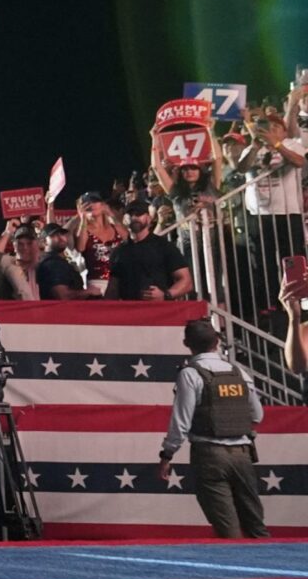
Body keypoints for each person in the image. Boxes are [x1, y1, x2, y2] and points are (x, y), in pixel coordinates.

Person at [158, 319, 268, 538]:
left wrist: (166, 455)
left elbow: (181, 422)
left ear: (186, 343)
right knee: (256, 527)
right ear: (217, 342)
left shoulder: (190, 374)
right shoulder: (239, 373)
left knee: (228, 530)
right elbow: (257, 415)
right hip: (243, 455)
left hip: (209, 456)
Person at [108, 201, 193, 301]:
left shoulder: (164, 246)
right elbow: (113, 288)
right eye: (130, 214)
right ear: (125, 219)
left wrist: (165, 295)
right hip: (130, 312)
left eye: (139, 213)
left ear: (148, 218)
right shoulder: (119, 252)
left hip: (159, 312)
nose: (134, 217)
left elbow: (186, 281)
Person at [71, 191, 127, 294]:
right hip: (96, 283)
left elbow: (128, 239)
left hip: (120, 281)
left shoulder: (114, 227)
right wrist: (82, 218)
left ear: (102, 204)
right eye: (86, 203)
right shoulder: (83, 229)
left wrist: (110, 213)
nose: (91, 205)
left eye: (95, 201)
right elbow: (81, 247)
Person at [35, 224, 100, 300]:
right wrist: (88, 292)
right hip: (60, 310)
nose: (61, 238)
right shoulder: (52, 264)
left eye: (62, 234)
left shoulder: (58, 260)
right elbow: (62, 295)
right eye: (54, 235)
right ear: (44, 242)